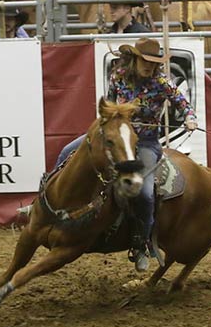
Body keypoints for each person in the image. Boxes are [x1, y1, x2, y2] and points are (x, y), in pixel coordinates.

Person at [52, 38, 197, 272]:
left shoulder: (162, 83)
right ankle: (46, 202)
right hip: (114, 136)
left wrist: (190, 119)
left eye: (153, 63)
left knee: (146, 193)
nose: (149, 67)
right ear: (135, 59)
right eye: (145, 61)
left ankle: (142, 243)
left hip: (146, 143)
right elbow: (109, 105)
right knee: (67, 152)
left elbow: (183, 104)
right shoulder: (118, 76)